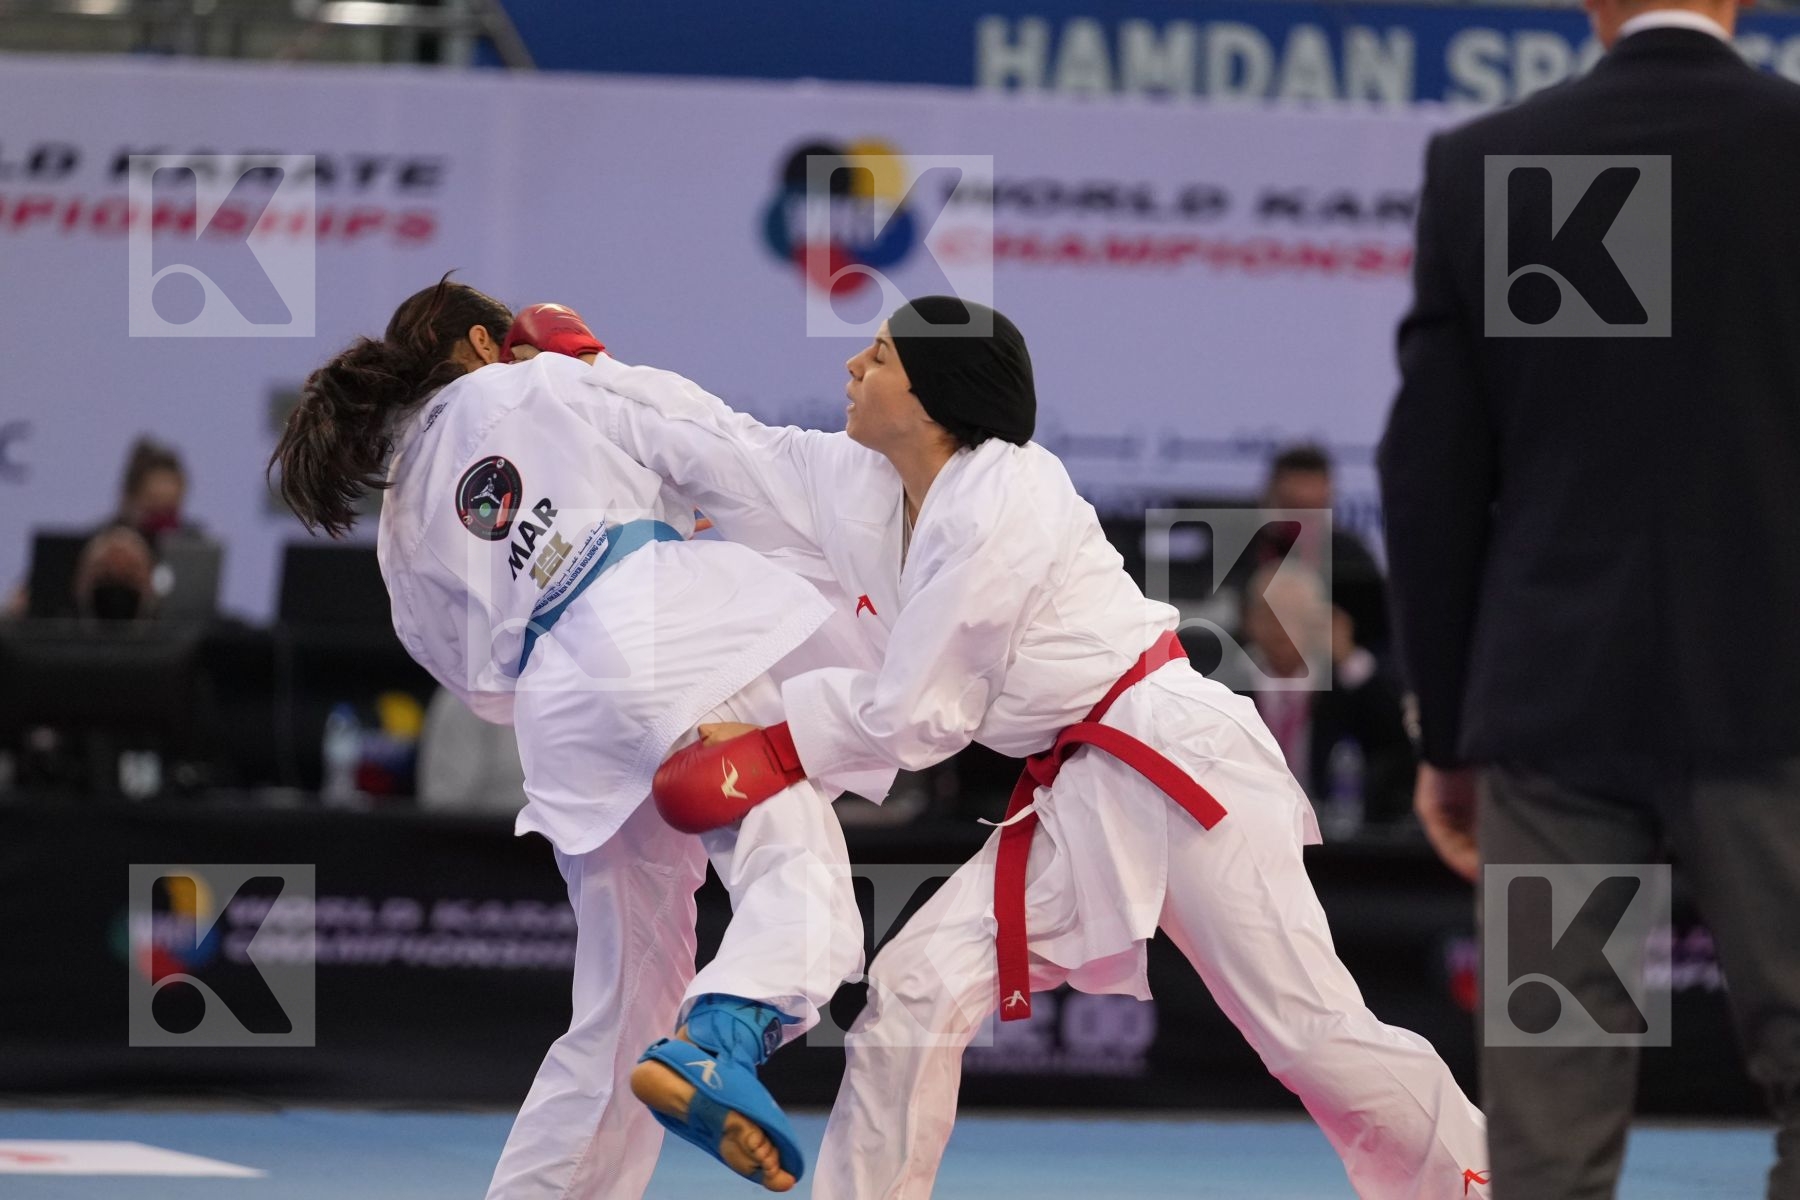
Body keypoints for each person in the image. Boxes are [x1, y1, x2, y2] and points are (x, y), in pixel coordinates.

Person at [578, 296, 1489, 1199]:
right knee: (918, 988)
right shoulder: (865, 482)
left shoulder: (1004, 498)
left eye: (883, 357)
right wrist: (582, 372)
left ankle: (1486, 1178)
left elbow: (922, 714)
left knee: (1309, 1032)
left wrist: (775, 747)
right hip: (1083, 782)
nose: (854, 367)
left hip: (1175, 759)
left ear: (938, 393)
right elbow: (721, 440)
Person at [270, 284, 875, 1196]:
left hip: (563, 713)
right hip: (669, 631)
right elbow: (707, 443)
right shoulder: (536, 381)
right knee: (792, 858)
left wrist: (584, 670)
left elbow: (474, 682)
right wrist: (596, 369)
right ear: (482, 341)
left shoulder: (399, 529)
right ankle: (724, 1033)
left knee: (620, 1010)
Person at [1378, 0, 1800, 1194]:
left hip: (1558, 722)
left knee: (1549, 1120)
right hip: (1780, 703)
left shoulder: (1492, 165)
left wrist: (1450, 730)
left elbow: (1433, 479)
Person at [1240, 561, 1415, 828]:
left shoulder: (1344, 686)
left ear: (1318, 621)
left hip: (1331, 832)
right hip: (1246, 826)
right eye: (1270, 615)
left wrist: (1350, 659)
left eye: (1294, 615)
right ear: (1250, 620)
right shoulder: (1225, 686)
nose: (1281, 629)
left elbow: (1398, 743)